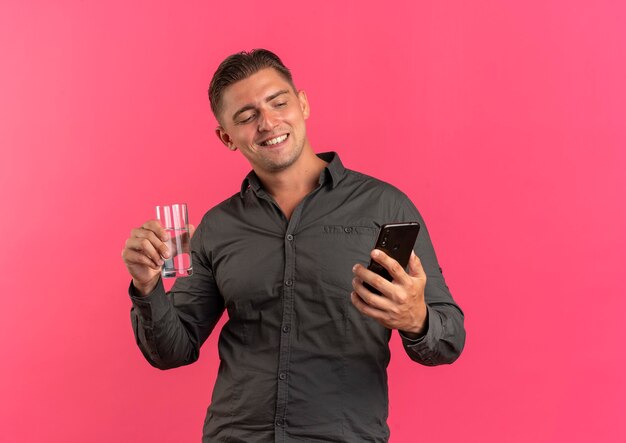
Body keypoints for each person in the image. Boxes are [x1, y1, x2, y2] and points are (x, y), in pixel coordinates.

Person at [122, 49, 465, 442]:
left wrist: (417, 318)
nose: (268, 123)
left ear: (302, 104)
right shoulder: (217, 227)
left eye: (278, 102)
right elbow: (172, 351)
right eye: (247, 116)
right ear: (227, 138)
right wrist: (148, 288)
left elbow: (449, 340)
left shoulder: (384, 206)